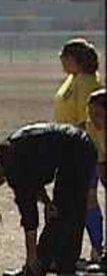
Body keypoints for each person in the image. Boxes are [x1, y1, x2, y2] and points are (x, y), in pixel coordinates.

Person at [0, 124, 97, 276]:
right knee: (73, 210)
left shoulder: (14, 167)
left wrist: (32, 256)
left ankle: (36, 268)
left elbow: (29, 216)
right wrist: (48, 202)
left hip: (75, 151)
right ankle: (66, 262)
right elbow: (34, 179)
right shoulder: (14, 152)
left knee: (61, 213)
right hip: (83, 146)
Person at [54, 38, 103, 261]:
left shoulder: (86, 83)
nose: (61, 61)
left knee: (88, 198)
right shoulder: (73, 79)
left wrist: (74, 147)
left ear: (74, 59)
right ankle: (75, 248)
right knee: (75, 199)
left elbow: (88, 120)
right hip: (69, 147)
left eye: (64, 57)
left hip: (84, 149)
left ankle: (97, 249)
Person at [85, 89, 107, 270]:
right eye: (91, 114)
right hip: (98, 162)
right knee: (89, 200)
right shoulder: (90, 128)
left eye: (98, 114)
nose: (93, 119)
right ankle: (98, 250)